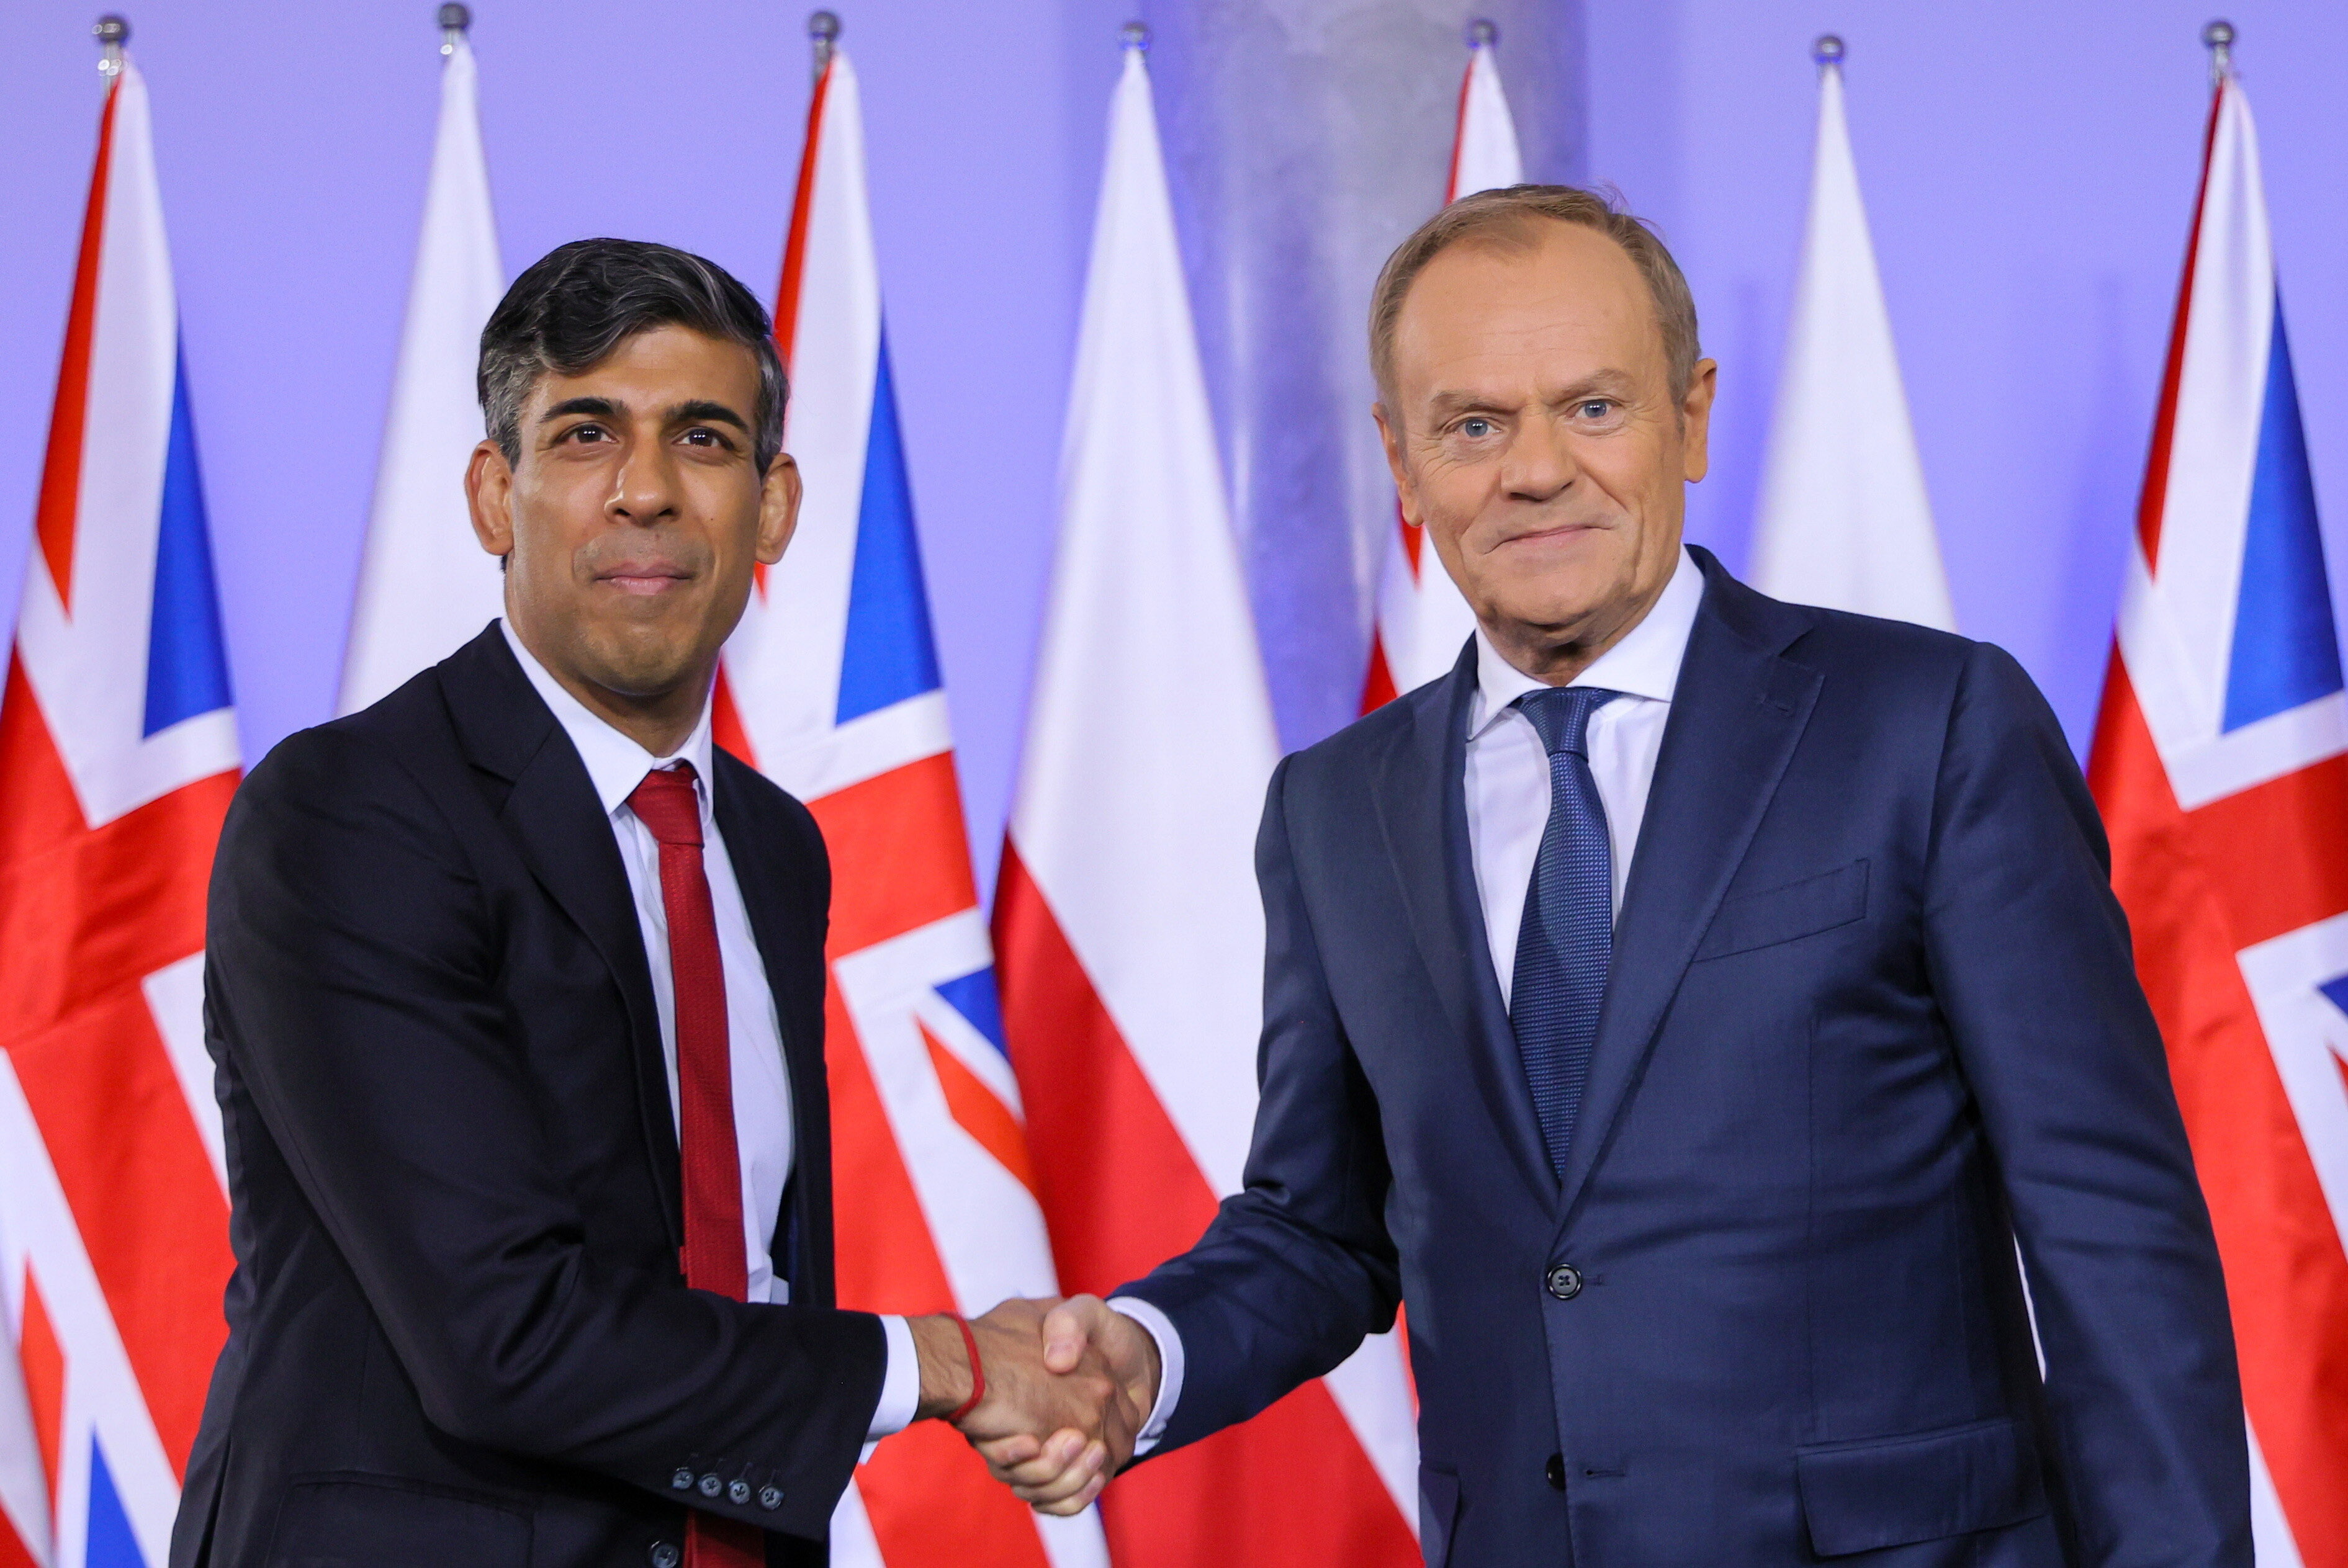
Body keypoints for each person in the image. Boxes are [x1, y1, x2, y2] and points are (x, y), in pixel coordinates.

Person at [983, 187, 2252, 1564]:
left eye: (1590, 407)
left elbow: (2107, 1227)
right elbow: (1323, 1229)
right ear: (1398, 460)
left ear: (1689, 417)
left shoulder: (1926, 726)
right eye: (1471, 424)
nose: (1532, 470)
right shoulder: (1332, 808)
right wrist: (1145, 1354)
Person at [172, 239, 1132, 1568]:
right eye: (582, 434)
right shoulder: (351, 813)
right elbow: (503, 1337)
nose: (643, 492)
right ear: (492, 495)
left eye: (702, 438)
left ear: (773, 506)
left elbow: (751, 1276)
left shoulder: (771, 846)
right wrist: (953, 1364)